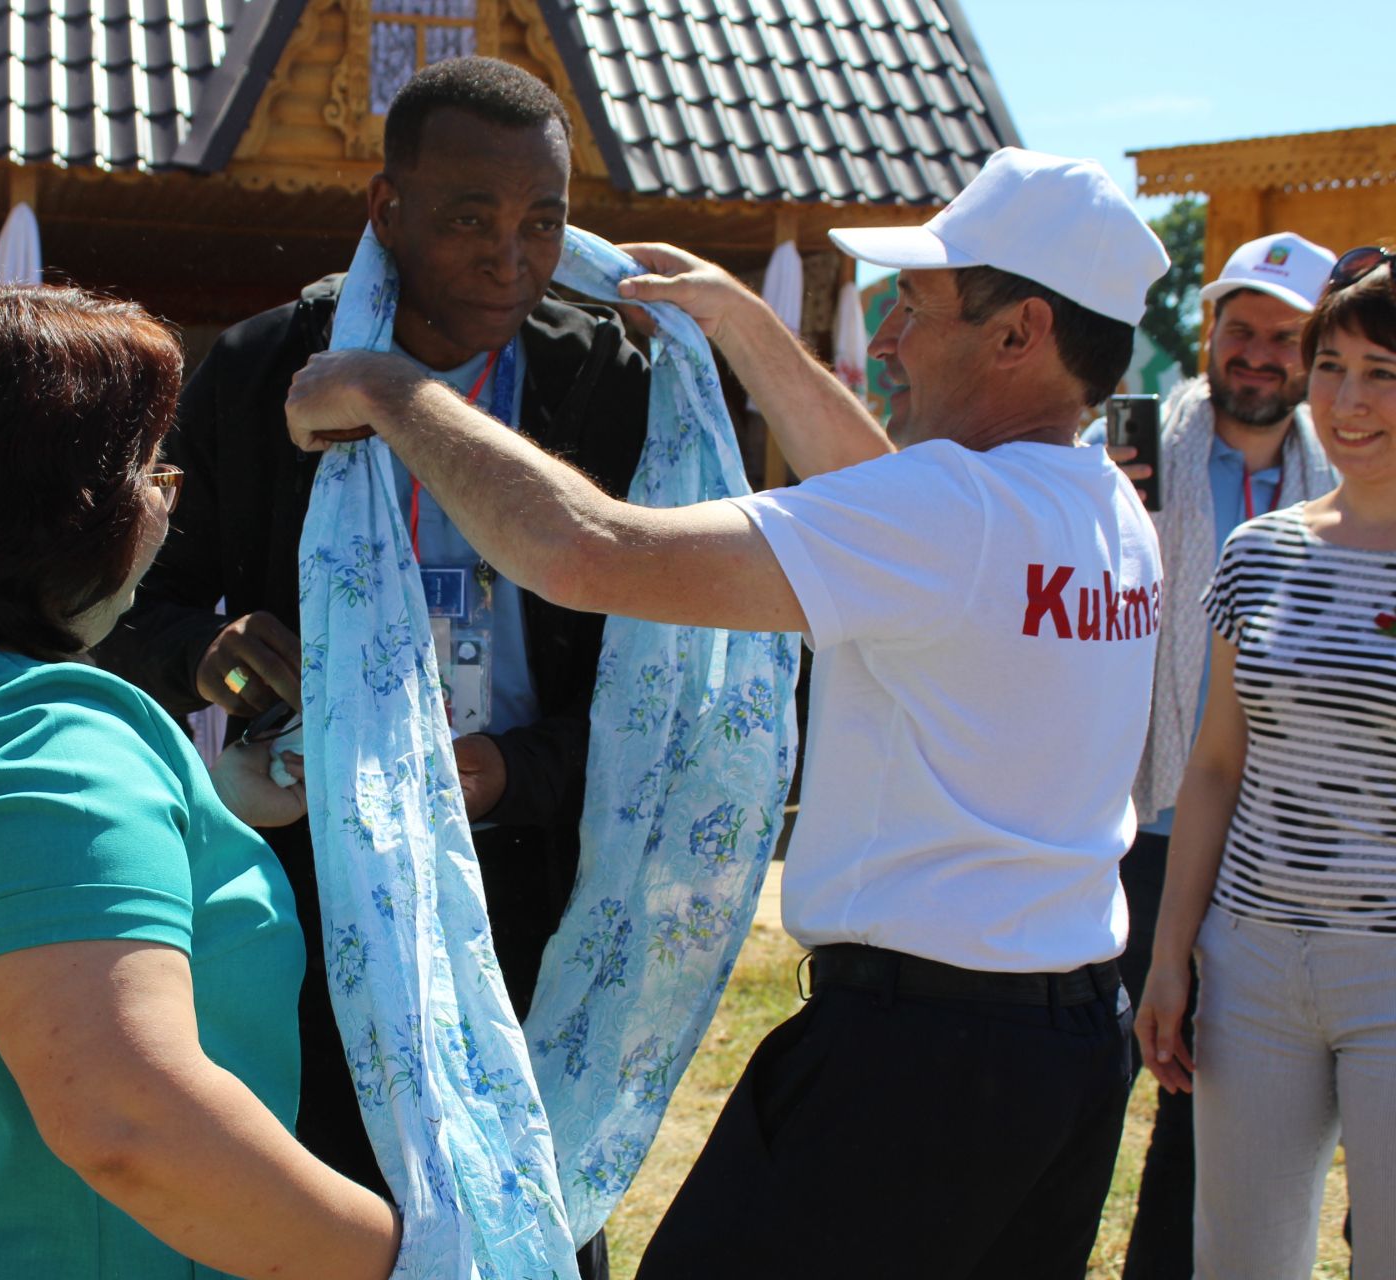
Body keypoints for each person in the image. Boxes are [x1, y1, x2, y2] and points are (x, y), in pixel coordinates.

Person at [288, 146, 1168, 1276]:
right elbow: (884, 501)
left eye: (919, 305)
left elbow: (586, 551)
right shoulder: (1099, 506)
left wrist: (391, 389)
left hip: (915, 1062)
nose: (890, 337)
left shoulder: (952, 516)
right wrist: (747, 327)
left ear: (1019, 332)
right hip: (1062, 1055)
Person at [99, 57, 644, 1274]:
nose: (513, 256)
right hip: (317, 875)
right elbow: (138, 608)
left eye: (544, 222)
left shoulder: (605, 381)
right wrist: (213, 655)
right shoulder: (259, 370)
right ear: (385, 208)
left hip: (526, 883)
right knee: (334, 1211)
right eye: (470, 218)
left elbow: (652, 677)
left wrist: (514, 769)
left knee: (535, 1209)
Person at [0, 278, 398, 1280]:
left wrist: (204, 809)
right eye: (149, 470)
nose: (164, 502)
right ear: (47, 512)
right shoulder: (43, 740)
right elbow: (131, 1122)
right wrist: (407, 1259)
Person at [1135, 247, 1396, 1279]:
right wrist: (1171, 954)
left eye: (1384, 372)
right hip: (1252, 965)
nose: (1347, 398)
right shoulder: (1262, 549)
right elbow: (1214, 766)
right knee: (1239, 1260)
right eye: (1331, 364)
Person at [1083, 230, 1339, 1274]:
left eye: (1286, 337)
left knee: (1209, 1112)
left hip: (1259, 850)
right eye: (1242, 329)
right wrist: (1098, 492)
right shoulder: (1132, 446)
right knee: (1086, 1085)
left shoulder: (1353, 469)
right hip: (1126, 824)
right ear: (1208, 331)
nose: (1260, 354)